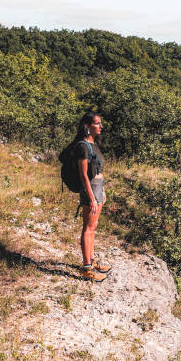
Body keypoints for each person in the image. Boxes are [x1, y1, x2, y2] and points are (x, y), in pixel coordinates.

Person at [74, 112, 112, 282]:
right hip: (90, 190)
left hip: (97, 189)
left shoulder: (94, 144)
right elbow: (83, 175)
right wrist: (91, 197)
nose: (101, 126)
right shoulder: (83, 146)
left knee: (93, 226)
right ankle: (86, 267)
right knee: (88, 228)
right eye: (97, 123)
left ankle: (91, 260)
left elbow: (98, 171)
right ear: (88, 126)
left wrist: (101, 192)